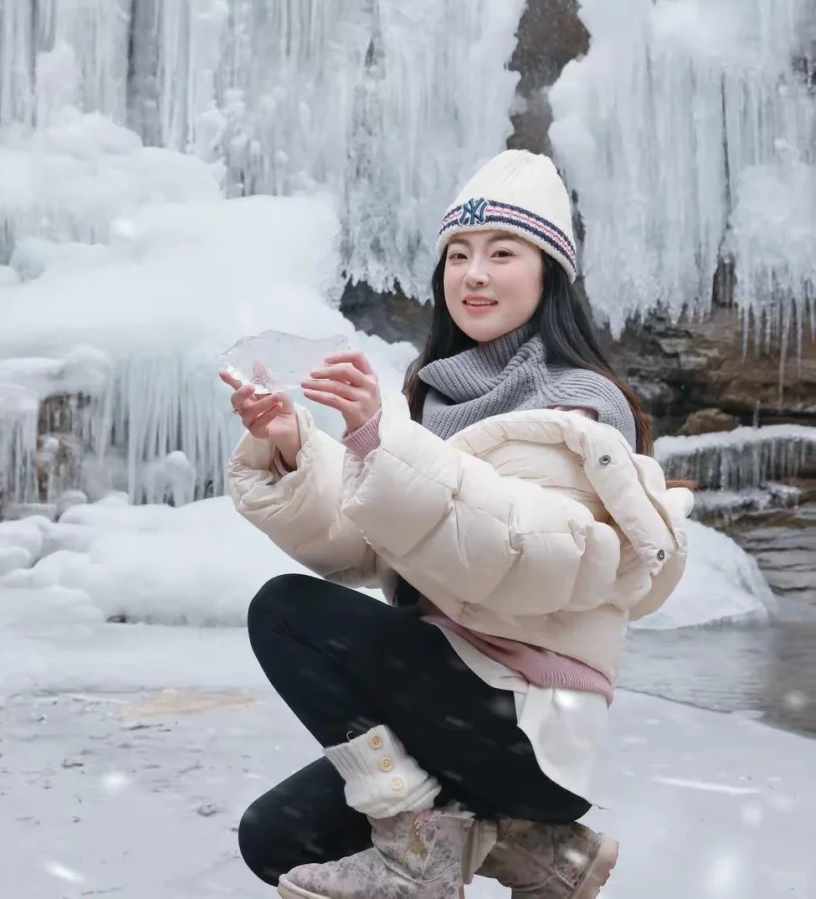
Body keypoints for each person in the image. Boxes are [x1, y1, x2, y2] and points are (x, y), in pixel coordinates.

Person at [221, 150, 693, 899]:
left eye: (503, 252)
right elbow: (370, 546)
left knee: (287, 611)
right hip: (452, 695)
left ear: (549, 275)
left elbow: (517, 555)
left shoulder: (581, 409)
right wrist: (291, 443)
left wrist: (385, 440)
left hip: (528, 720)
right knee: (277, 838)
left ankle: (419, 840)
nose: (474, 273)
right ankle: (539, 850)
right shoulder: (434, 399)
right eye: (458, 254)